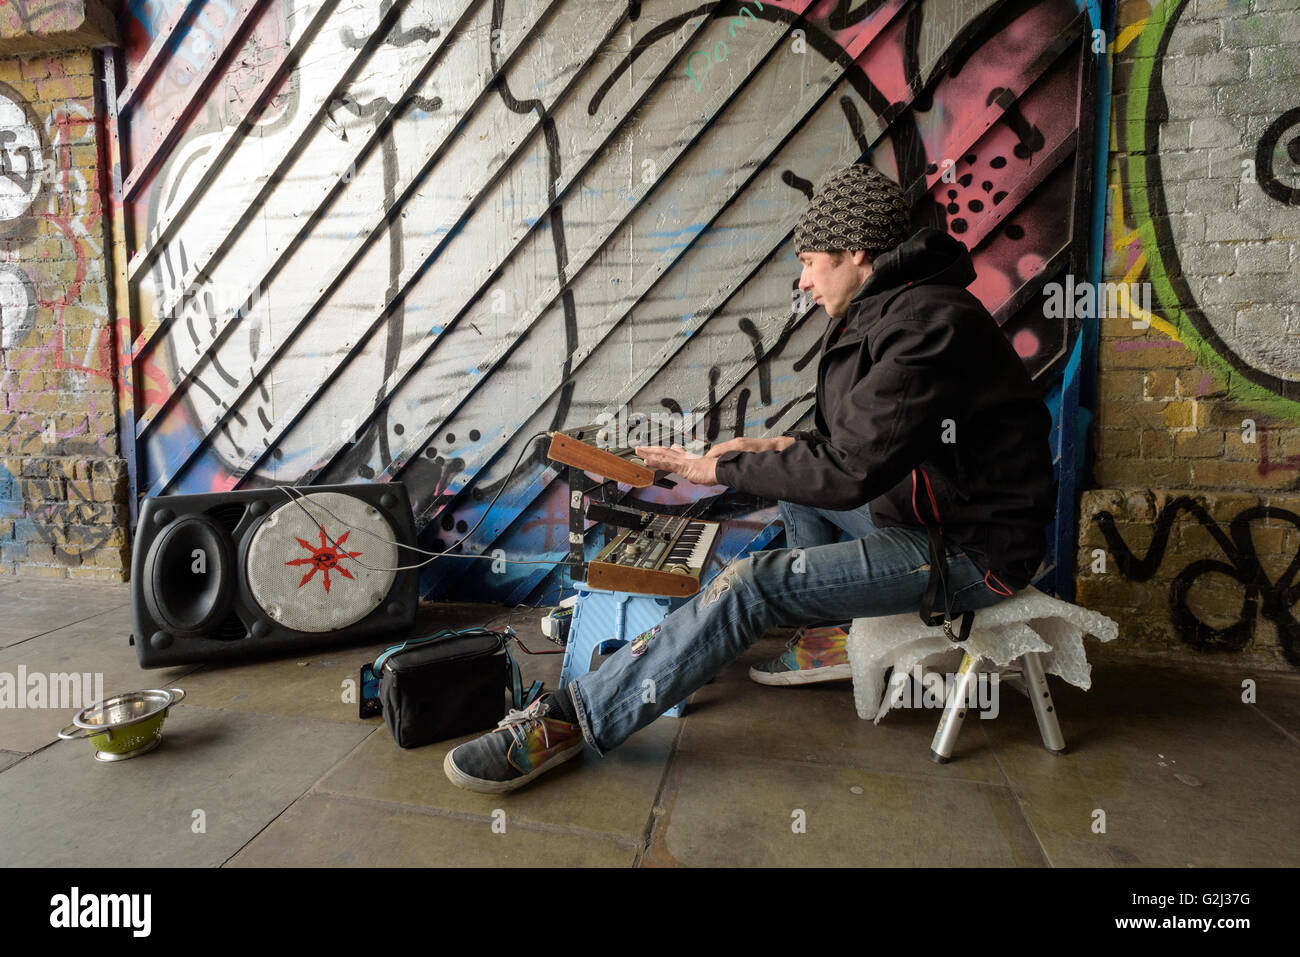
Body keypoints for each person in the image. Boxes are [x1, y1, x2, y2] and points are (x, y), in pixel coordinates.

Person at [443, 163, 1057, 794]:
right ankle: (816, 640)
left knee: (751, 586)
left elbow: (847, 471)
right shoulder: (886, 314)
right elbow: (851, 444)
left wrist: (723, 465)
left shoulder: (929, 326)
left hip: (970, 548)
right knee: (788, 495)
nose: (803, 278)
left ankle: (573, 720)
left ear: (856, 253)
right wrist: (767, 448)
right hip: (916, 513)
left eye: (812, 260)